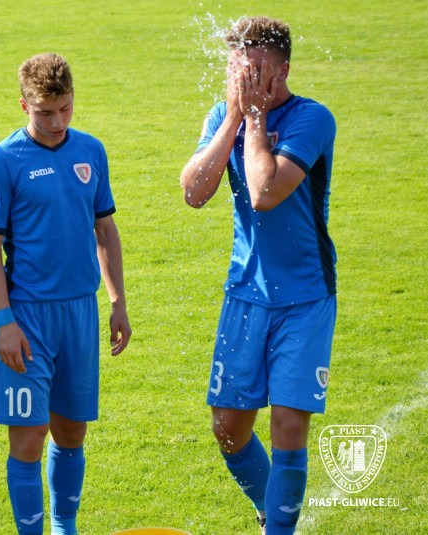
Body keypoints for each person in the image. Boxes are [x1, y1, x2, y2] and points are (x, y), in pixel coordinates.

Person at [179, 16, 337, 535]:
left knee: (287, 426)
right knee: (228, 429)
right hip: (246, 294)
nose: (244, 81)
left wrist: (252, 118)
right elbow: (193, 192)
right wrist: (234, 118)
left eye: (255, 71)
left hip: (304, 297)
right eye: (236, 70)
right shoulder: (223, 114)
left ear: (283, 70)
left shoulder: (312, 119)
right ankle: (271, 509)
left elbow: (265, 192)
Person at [0, 52, 131, 535]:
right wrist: (4, 321)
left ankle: (66, 527)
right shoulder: (3, 160)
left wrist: (117, 301)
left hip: (81, 312)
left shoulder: (91, 151)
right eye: (45, 112)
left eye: (65, 109)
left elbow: (105, 230)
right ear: (24, 105)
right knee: (27, 440)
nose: (57, 121)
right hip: (28, 318)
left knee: (71, 432)